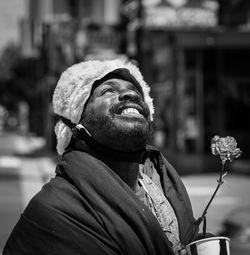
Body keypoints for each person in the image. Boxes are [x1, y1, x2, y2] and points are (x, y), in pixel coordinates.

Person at [3, 59, 197, 255]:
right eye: (107, 91)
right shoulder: (53, 211)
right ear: (76, 124)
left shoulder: (165, 184)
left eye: (136, 91)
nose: (131, 94)